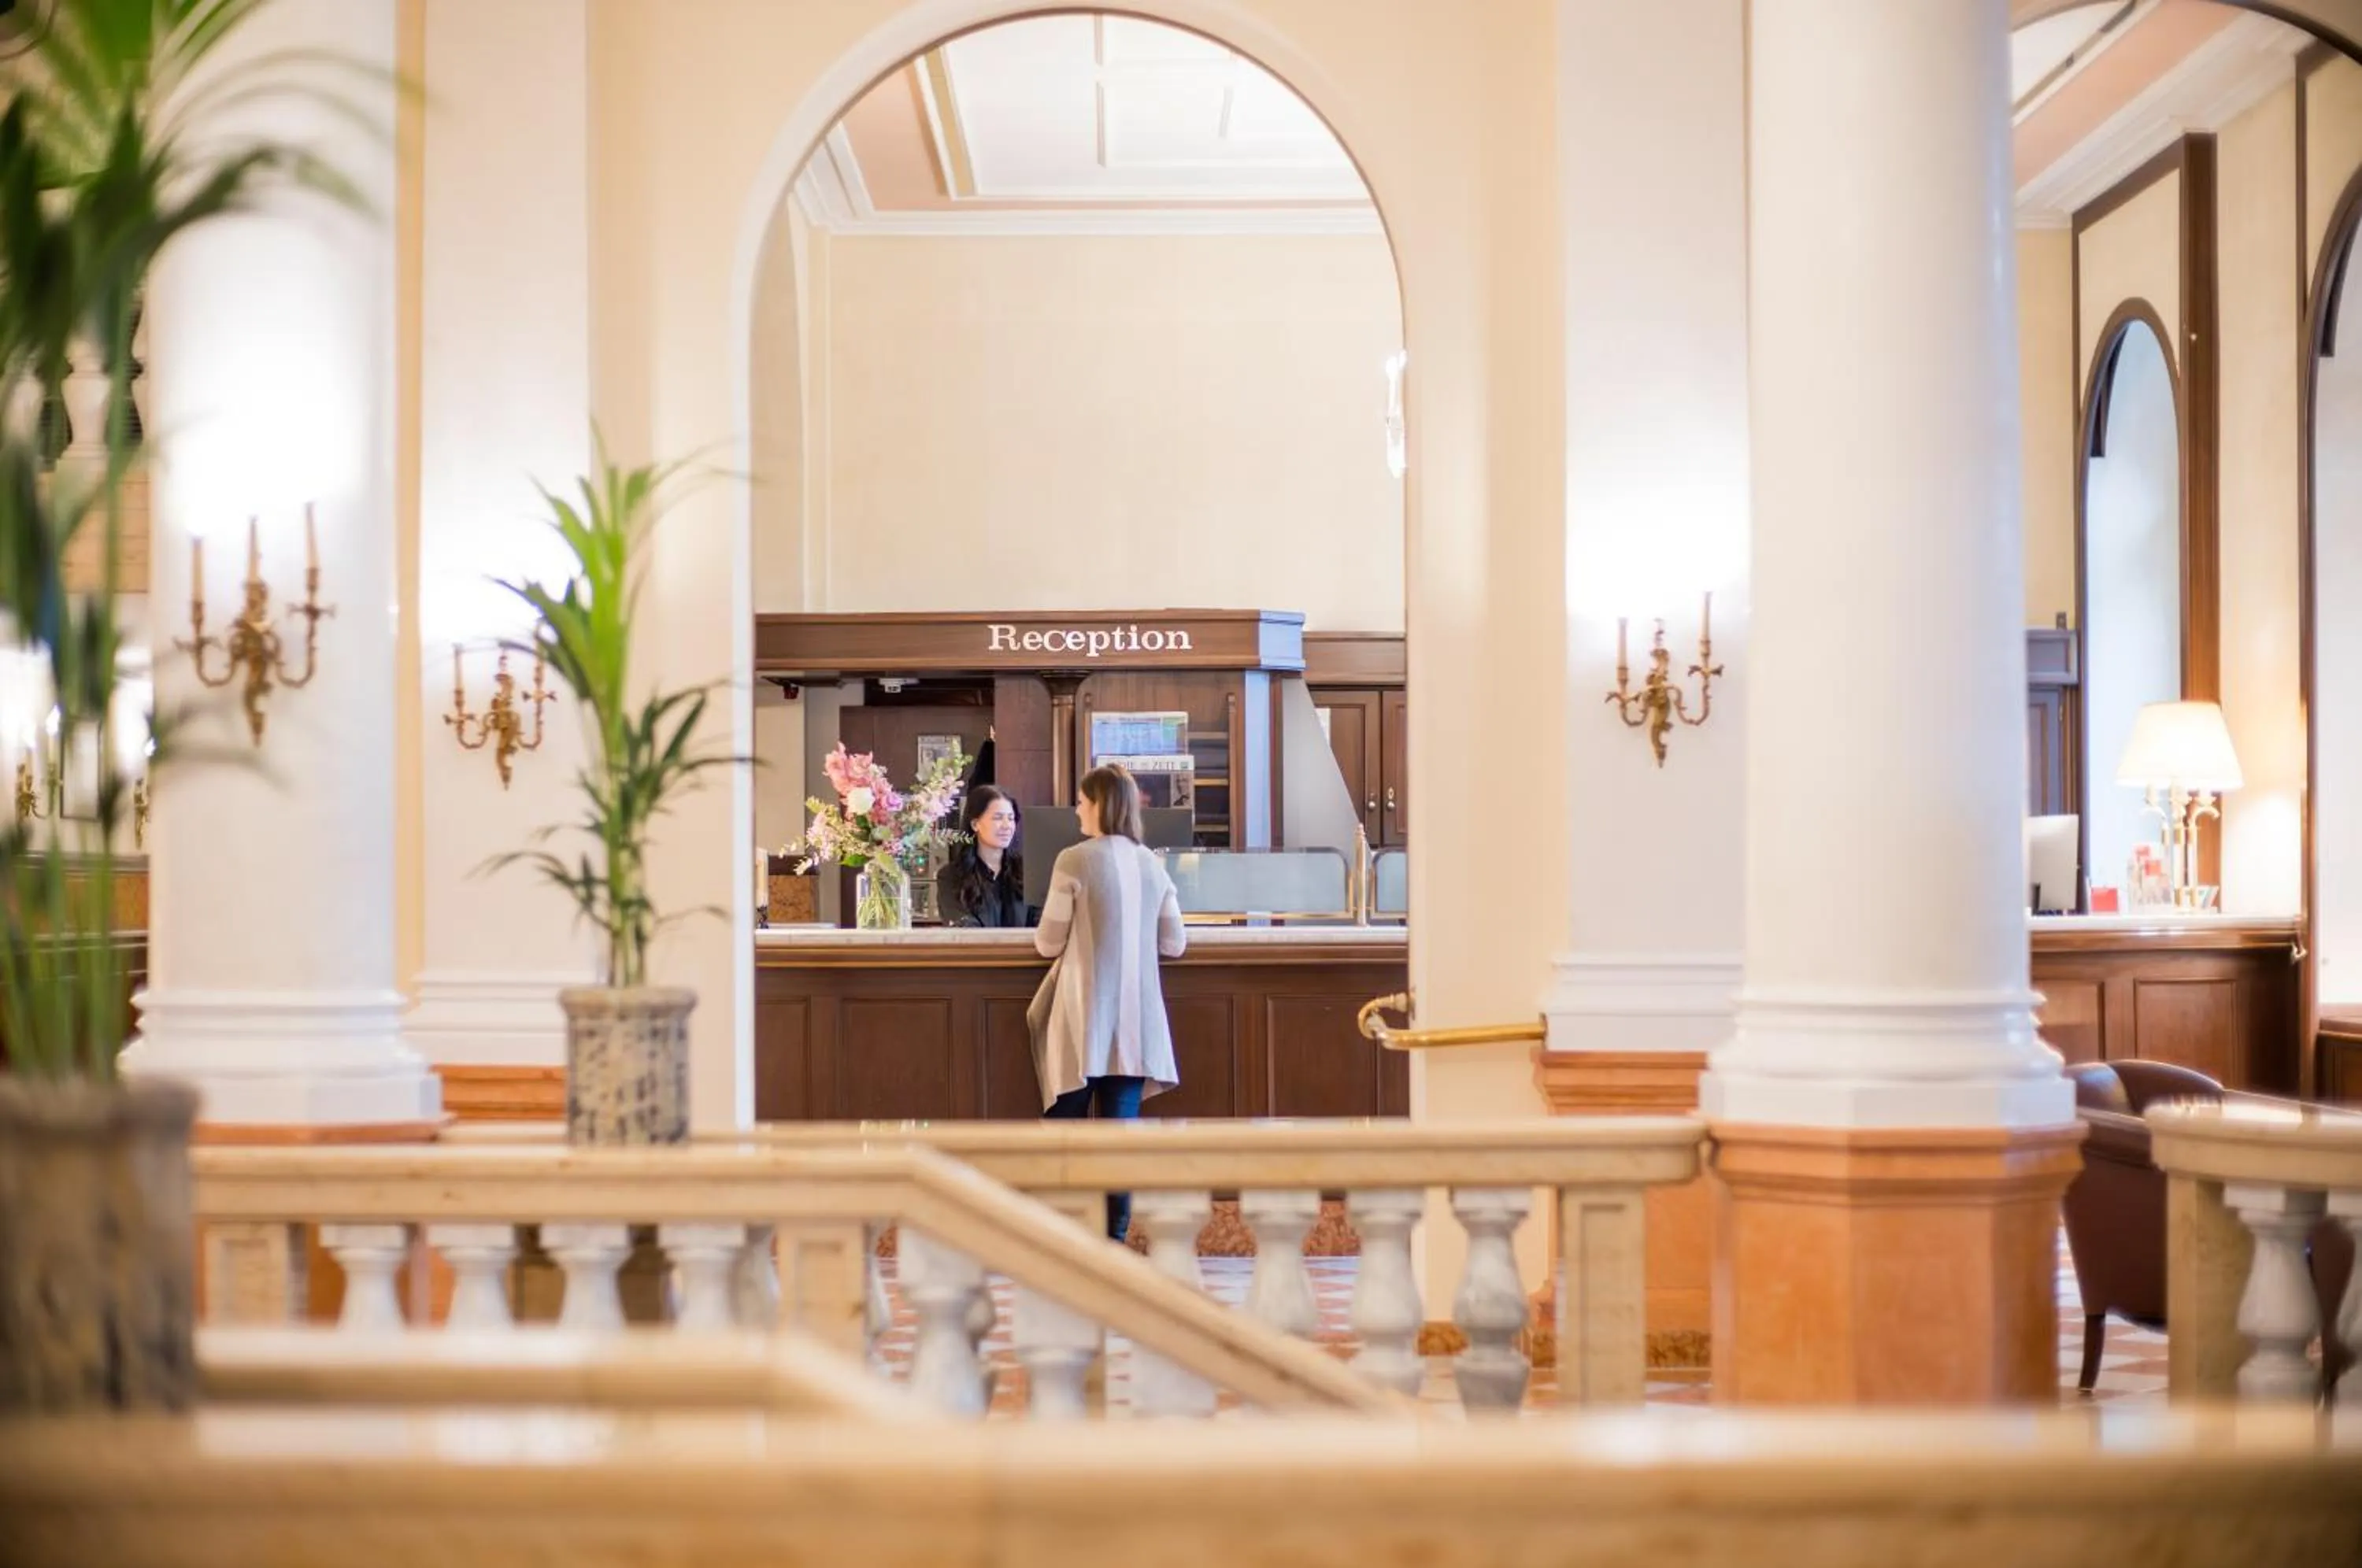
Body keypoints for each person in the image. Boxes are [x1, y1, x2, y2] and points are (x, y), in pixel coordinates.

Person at [1027, 764, 1187, 1241]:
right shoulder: (1152, 864)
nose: (1077, 808)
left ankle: (1065, 1235)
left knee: (1065, 1134)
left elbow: (1047, 942)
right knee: (1120, 1138)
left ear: (1100, 804)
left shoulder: (1074, 860)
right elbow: (1175, 943)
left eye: (1081, 800)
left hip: (1083, 1015)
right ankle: (1114, 1239)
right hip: (1135, 1023)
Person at [936, 785, 1030, 928]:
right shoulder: (951, 876)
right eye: (998, 818)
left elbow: (1042, 923)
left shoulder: (1029, 873)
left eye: (1011, 819)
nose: (1007, 826)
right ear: (975, 824)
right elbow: (963, 928)